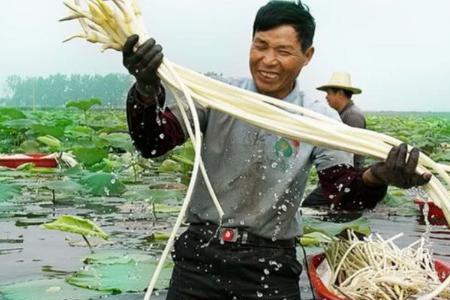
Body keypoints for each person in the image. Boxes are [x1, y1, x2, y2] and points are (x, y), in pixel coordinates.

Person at [122, 1, 431, 299]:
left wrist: (376, 176)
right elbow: (153, 142)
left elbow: (341, 192)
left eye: (283, 51)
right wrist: (146, 92)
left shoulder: (317, 119)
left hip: (269, 264)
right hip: (200, 255)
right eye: (261, 46)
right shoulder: (216, 96)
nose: (268, 60)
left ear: (307, 55)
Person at [302, 72, 366, 207]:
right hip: (341, 177)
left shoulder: (352, 116)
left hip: (348, 179)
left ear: (340, 94)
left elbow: (350, 154)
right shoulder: (342, 114)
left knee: (310, 204)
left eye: (329, 93)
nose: (326, 97)